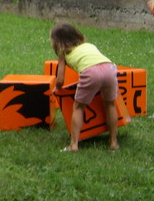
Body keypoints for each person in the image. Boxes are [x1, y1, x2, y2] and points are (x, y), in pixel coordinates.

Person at [49, 22, 120, 152]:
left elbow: (60, 79)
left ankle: (74, 145)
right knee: (110, 104)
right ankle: (113, 142)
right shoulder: (89, 45)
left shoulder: (63, 54)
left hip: (90, 72)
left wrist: (57, 88)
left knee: (78, 107)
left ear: (57, 42)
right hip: (110, 68)